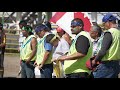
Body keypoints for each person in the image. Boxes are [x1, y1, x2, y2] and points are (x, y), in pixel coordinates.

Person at [92, 13, 120, 78]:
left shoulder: (109, 32)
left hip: (107, 65)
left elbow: (102, 51)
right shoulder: (118, 32)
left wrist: (95, 60)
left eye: (104, 23)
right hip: (116, 65)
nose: (104, 26)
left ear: (108, 22)